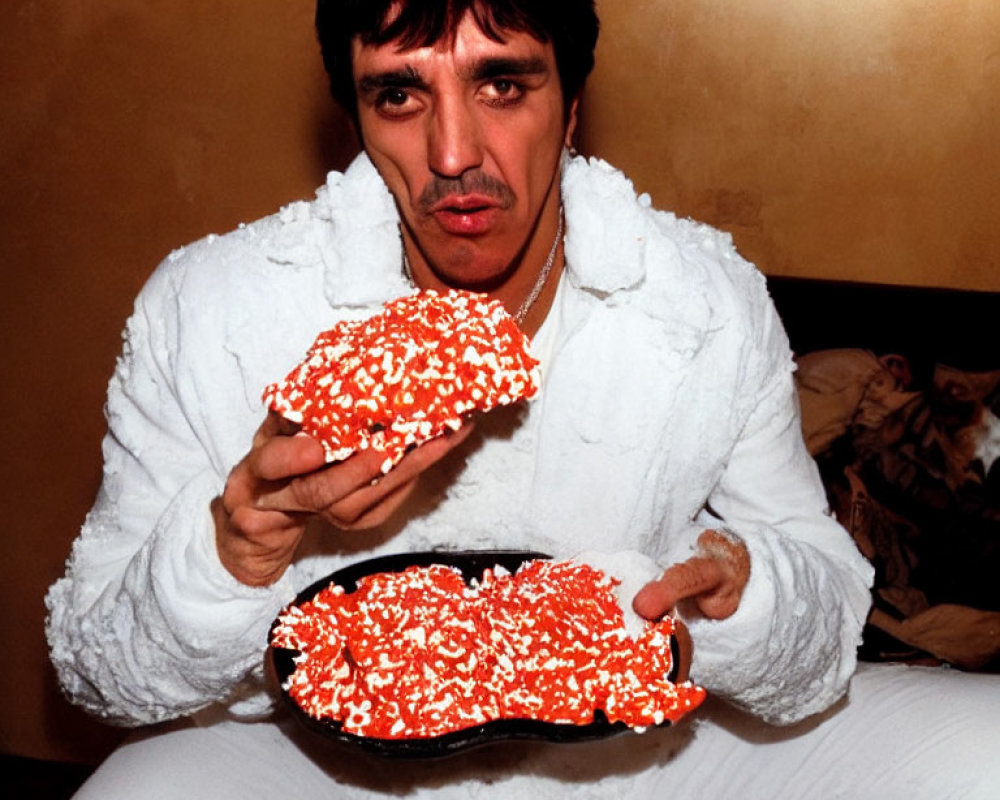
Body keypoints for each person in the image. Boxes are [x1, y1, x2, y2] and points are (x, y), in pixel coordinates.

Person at [46, 1, 1000, 798]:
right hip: (318, 761)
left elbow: (824, 603)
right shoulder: (211, 305)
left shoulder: (701, 298)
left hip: (635, 749)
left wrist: (743, 596)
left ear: (572, 105)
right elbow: (97, 669)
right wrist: (234, 548)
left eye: (503, 83)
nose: (454, 150)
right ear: (355, 118)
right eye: (400, 92)